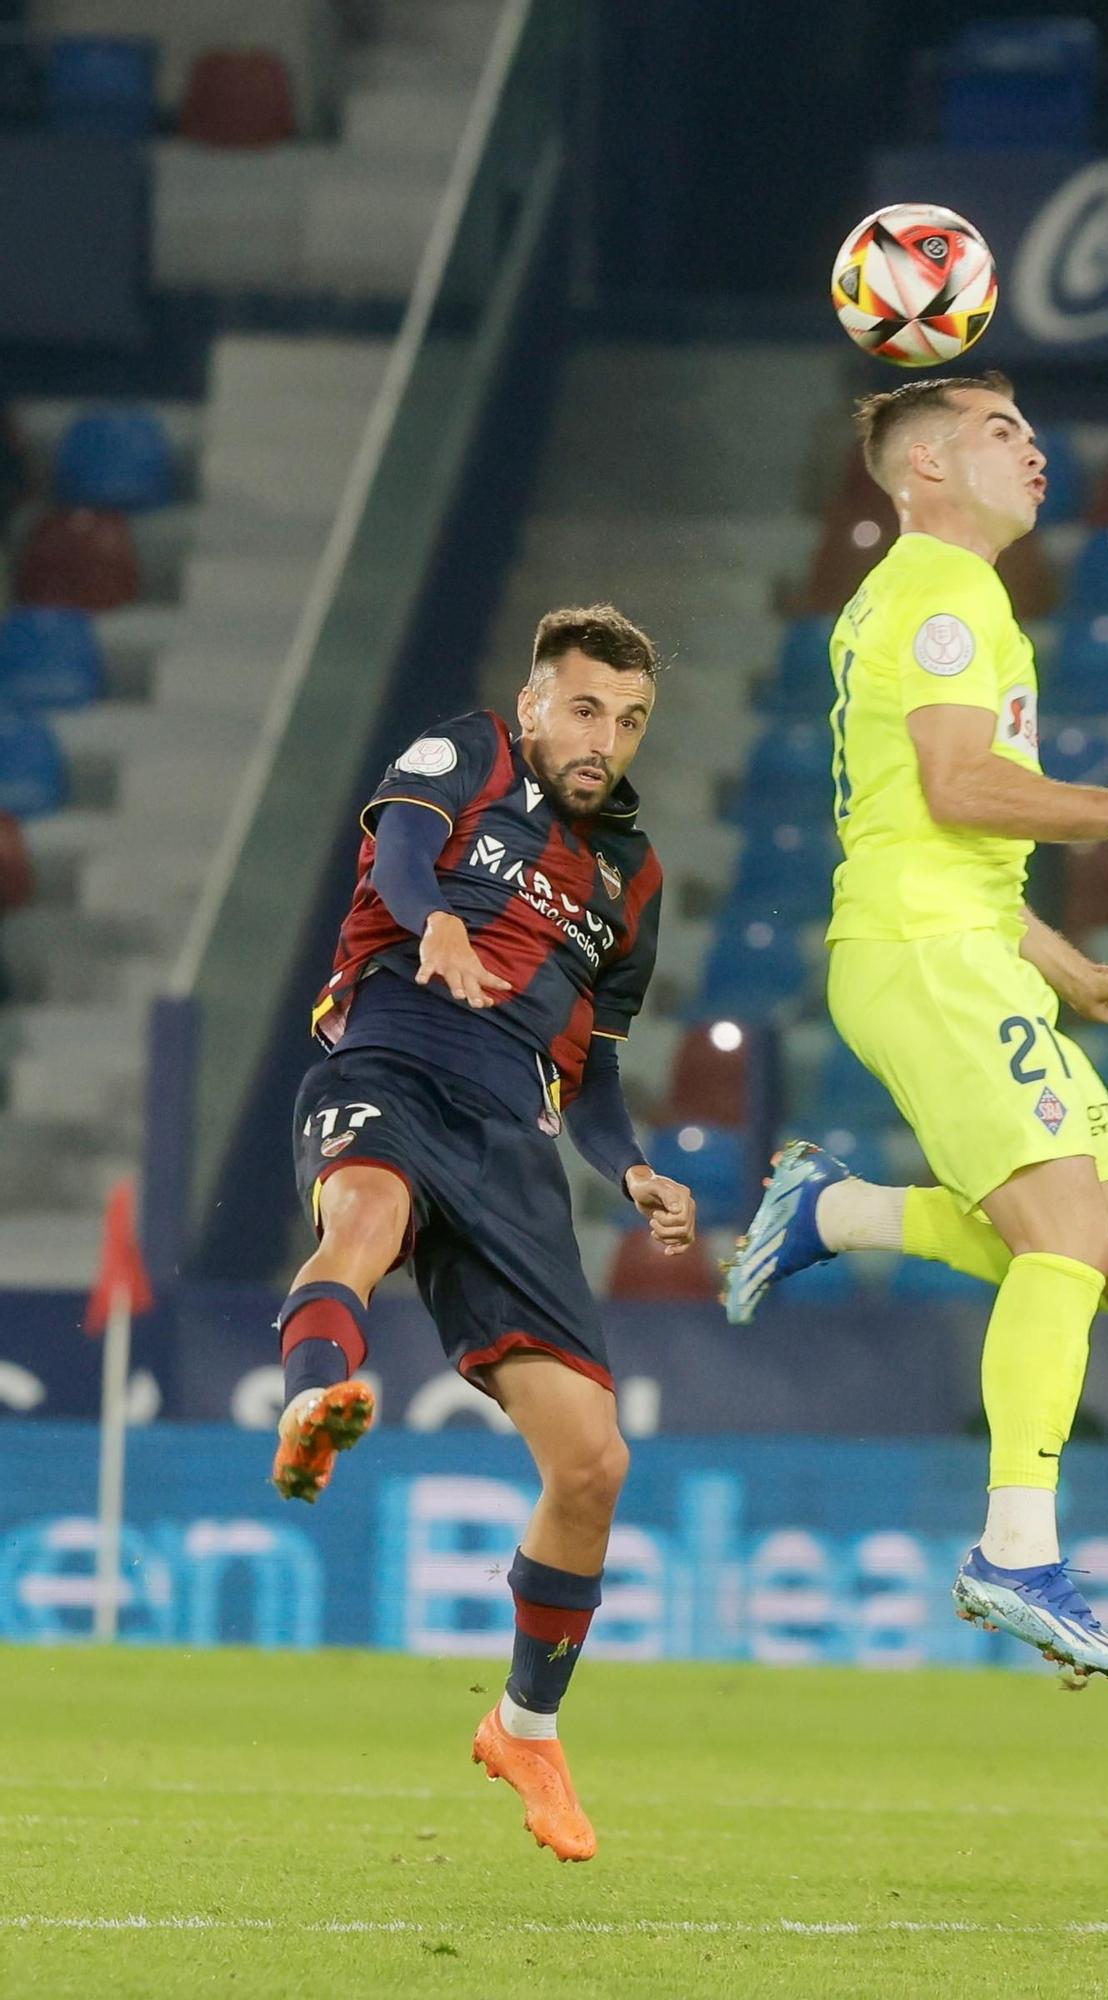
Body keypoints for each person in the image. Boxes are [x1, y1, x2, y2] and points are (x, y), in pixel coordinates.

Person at [724, 372, 1108, 1684]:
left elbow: (953, 846)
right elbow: (960, 785)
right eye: (1004, 431)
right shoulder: (943, 587)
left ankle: (834, 1214)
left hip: (969, 946)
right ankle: (1016, 1551)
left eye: (1035, 429)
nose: (1036, 450)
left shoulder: (952, 594)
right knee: (1063, 1237)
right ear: (923, 469)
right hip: (923, 959)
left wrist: (1073, 973)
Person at [270, 604, 696, 1862]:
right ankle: (310, 1399)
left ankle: (525, 1723)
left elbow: (599, 1073)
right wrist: (436, 921)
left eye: (625, 721)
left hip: (513, 1135)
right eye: (581, 708)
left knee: (592, 1461)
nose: (601, 738)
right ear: (531, 704)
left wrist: (629, 1171)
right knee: (365, 1210)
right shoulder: (469, 754)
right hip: (395, 1052)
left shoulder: (634, 879)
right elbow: (402, 861)